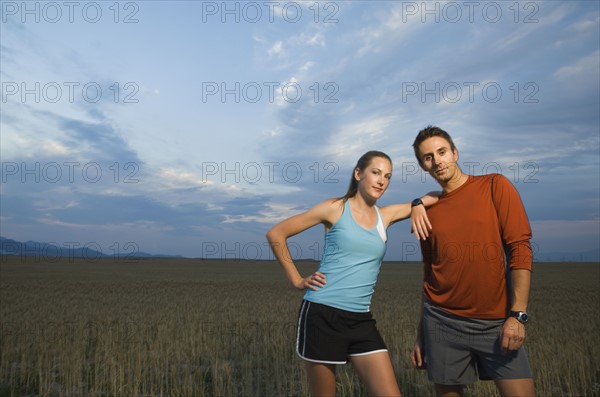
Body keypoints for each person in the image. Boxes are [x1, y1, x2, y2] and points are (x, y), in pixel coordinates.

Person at [266, 150, 437, 397]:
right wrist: (296, 279)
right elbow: (276, 234)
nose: (382, 181)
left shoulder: (385, 216)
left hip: (361, 320)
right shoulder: (334, 208)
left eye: (387, 176)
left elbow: (433, 197)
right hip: (322, 315)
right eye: (375, 173)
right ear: (358, 173)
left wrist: (418, 204)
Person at [409, 126, 535, 397]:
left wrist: (517, 315)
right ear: (423, 165)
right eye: (428, 157)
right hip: (441, 322)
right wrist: (422, 334)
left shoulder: (494, 185)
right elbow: (430, 274)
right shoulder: (426, 212)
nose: (437, 161)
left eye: (442, 152)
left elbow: (519, 248)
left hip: (496, 323)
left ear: (455, 153)